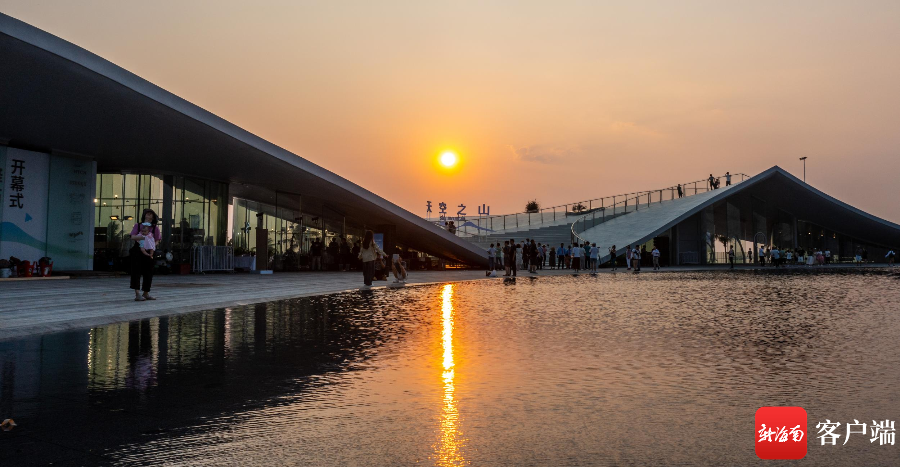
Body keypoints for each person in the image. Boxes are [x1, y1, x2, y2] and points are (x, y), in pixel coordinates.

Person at [129, 209, 162, 302]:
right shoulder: (138, 225)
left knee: (149, 272)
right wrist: (144, 239)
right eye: (147, 214)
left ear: (153, 217)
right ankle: (137, 293)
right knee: (136, 271)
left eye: (150, 214)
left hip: (150, 249)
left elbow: (157, 240)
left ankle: (146, 292)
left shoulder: (155, 228)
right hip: (138, 249)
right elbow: (132, 236)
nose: (148, 216)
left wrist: (151, 245)